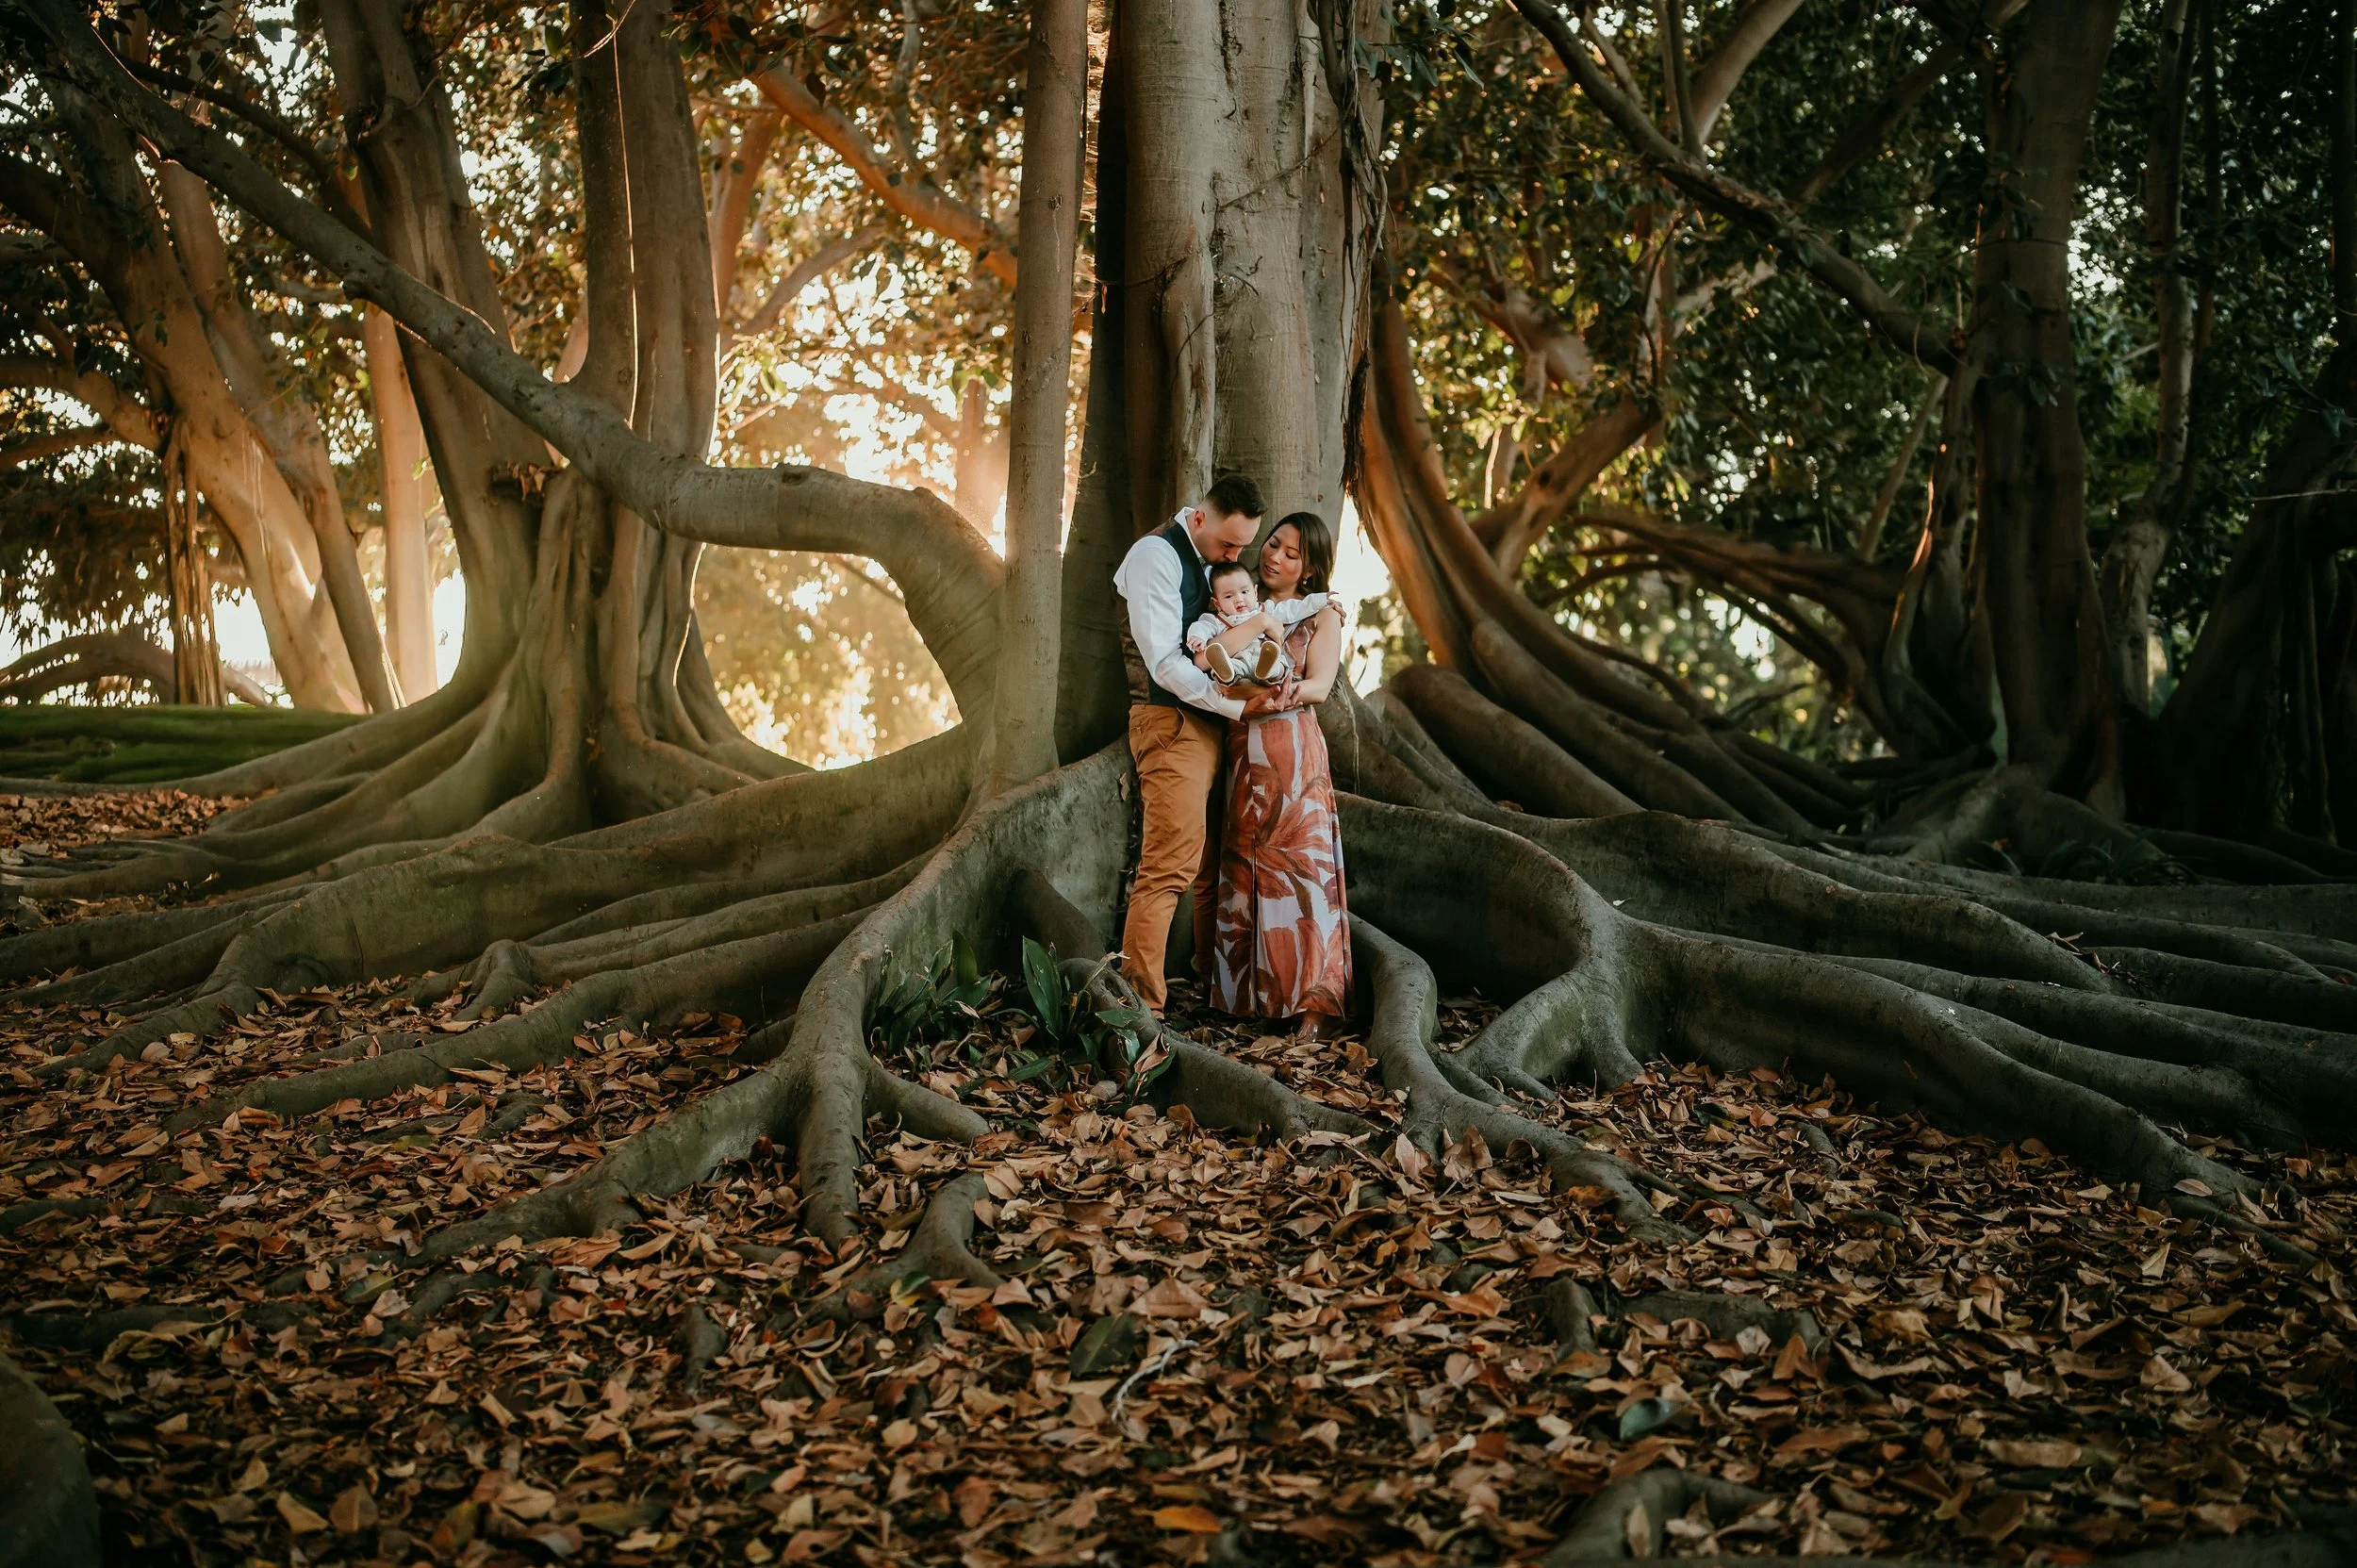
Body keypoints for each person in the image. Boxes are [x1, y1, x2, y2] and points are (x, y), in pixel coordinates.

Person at [1113, 473, 1272, 1015]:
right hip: (1170, 723)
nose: (1233, 556)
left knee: (1212, 869)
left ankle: (1212, 991)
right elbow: (1163, 661)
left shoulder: (1212, 562)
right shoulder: (1155, 554)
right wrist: (1234, 705)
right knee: (1168, 867)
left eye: (1241, 548)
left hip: (1214, 728)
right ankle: (1143, 1013)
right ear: (1199, 517)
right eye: (1227, 544)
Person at [1210, 510, 1351, 1035]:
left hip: (1293, 747)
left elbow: (1320, 685)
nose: (1275, 556)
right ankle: (1248, 999)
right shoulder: (1241, 603)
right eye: (1273, 545)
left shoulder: (1322, 614)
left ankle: (1310, 1007)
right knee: (1248, 866)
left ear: (1309, 569)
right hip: (1243, 747)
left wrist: (1277, 693)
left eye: (1292, 554)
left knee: (1299, 869)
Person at [1188, 561, 1331, 686]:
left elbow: (1293, 609)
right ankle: (1227, 673)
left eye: (1244, 592)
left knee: (1278, 664)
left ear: (1255, 593)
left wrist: (1321, 600)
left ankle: (1270, 669)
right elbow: (1202, 626)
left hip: (1264, 655)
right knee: (1233, 668)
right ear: (1217, 603)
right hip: (1239, 660)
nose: (1239, 599)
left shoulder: (1266, 609)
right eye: (1229, 596)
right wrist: (1198, 637)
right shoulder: (1218, 620)